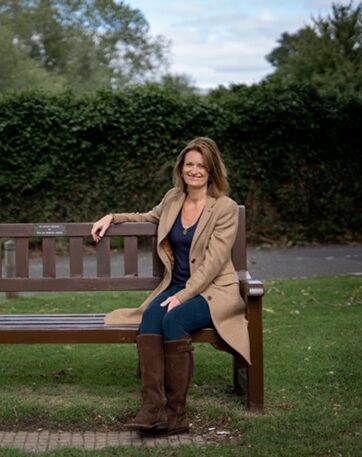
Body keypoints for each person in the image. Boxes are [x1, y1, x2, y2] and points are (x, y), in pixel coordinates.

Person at [91, 137, 250, 436]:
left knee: (174, 319)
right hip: (176, 284)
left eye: (201, 165)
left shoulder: (224, 208)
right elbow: (147, 217)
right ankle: (152, 409)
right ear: (181, 168)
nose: (194, 170)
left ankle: (177, 415)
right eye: (189, 164)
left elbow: (214, 263)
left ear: (212, 170)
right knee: (152, 318)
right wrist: (112, 217)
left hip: (213, 290)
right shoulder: (173, 199)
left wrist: (183, 295)